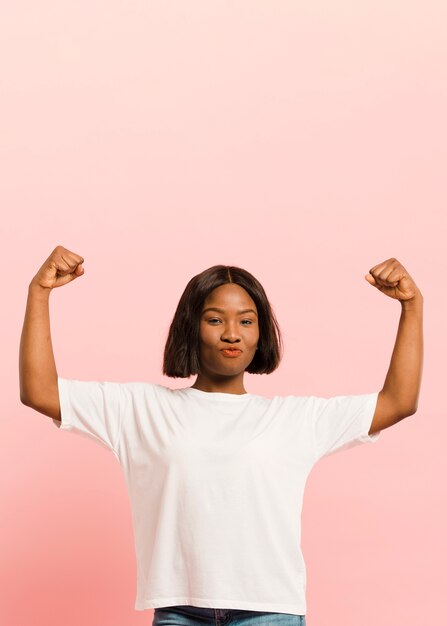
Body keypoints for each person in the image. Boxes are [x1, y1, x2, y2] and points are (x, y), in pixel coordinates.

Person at [19, 246, 423, 626]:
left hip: (270, 611)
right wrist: (39, 292)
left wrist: (411, 306)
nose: (232, 333)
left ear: (261, 334)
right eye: (215, 319)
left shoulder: (294, 418)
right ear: (190, 328)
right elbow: (41, 392)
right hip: (179, 611)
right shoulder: (140, 409)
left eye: (246, 321)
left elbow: (398, 401)